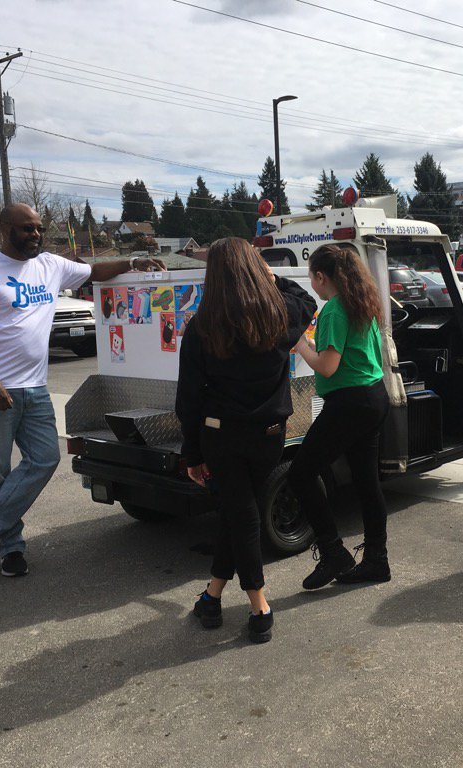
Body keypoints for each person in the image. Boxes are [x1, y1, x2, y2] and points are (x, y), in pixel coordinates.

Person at [0, 203, 166, 581]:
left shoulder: (50, 264)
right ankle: (11, 549)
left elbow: (94, 270)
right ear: (4, 229)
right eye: (25, 229)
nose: (34, 234)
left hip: (34, 387)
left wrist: (134, 263)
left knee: (46, 458)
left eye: (37, 228)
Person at [177, 238, 316, 643]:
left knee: (243, 515)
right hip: (269, 437)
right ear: (256, 271)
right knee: (241, 513)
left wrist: (191, 452)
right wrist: (275, 280)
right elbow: (306, 299)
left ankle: (260, 606)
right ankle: (211, 595)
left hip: (221, 436)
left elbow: (189, 398)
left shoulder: (201, 327)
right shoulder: (280, 314)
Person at [290, 244, 391, 589]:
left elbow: (328, 367)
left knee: (301, 473)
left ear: (320, 277)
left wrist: (300, 344)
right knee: (366, 482)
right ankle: (377, 559)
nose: (311, 284)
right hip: (374, 396)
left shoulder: (333, 310)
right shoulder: (362, 302)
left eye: (311, 278)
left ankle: (334, 552)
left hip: (350, 402)